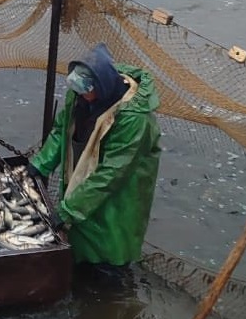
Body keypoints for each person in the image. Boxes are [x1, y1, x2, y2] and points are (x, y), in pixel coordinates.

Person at [28, 42, 161, 267]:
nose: (81, 95)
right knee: (79, 235)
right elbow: (62, 129)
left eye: (85, 90)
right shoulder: (81, 95)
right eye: (78, 89)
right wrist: (40, 164)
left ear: (103, 85)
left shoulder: (134, 120)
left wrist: (69, 210)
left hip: (120, 194)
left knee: (109, 245)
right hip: (84, 180)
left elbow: (112, 173)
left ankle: (113, 285)